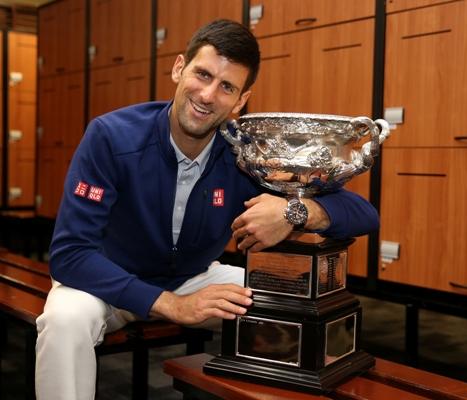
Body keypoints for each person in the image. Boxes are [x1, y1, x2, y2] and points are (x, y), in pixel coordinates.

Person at [35, 19, 379, 400]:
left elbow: (363, 212)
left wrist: (294, 212)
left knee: (296, 300)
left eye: (227, 86)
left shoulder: (243, 155)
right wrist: (172, 305)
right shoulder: (111, 136)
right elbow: (69, 255)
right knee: (63, 321)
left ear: (241, 100)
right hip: (106, 281)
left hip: (192, 277)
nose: (208, 95)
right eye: (202, 74)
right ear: (179, 68)